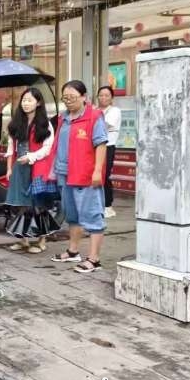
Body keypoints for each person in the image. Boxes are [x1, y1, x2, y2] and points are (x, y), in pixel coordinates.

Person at [50, 80, 108, 273]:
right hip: (64, 174)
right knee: (72, 215)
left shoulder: (94, 116)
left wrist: (98, 170)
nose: (68, 101)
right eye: (65, 97)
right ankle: (73, 251)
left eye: (73, 97)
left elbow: (100, 144)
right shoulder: (63, 118)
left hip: (85, 174)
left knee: (92, 215)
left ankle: (94, 259)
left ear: (84, 97)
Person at [4, 88, 59, 253]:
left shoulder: (44, 123)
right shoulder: (15, 123)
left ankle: (42, 241)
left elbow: (48, 148)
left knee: (38, 205)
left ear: (38, 102)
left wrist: (31, 157)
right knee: (20, 204)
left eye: (29, 100)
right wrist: (9, 168)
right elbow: (10, 148)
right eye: (24, 100)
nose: (26, 103)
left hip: (38, 168)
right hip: (19, 168)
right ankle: (24, 240)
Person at [97, 85, 121, 218]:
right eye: (101, 95)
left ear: (112, 97)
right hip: (94, 147)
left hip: (108, 147)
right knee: (95, 175)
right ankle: (98, 204)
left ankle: (108, 206)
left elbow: (106, 124)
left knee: (104, 175)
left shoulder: (115, 110)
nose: (103, 97)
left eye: (106, 95)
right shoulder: (95, 110)